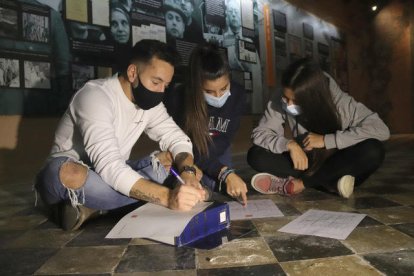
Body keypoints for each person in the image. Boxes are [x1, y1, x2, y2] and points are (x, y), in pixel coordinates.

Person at [35, 39, 206, 231]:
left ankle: (95, 207)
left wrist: (188, 172)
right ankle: (108, 203)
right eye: (156, 82)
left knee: (170, 162)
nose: (161, 91)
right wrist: (168, 197)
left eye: (165, 85)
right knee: (69, 174)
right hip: (70, 176)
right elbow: (110, 167)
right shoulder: (95, 96)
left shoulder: (151, 104)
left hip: (111, 173)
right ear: (133, 72)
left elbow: (178, 139)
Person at [247, 58, 390, 198]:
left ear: (312, 98)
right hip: (307, 162)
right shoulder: (281, 97)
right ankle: (331, 182)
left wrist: (326, 140)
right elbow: (260, 133)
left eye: (295, 101)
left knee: (373, 150)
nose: (288, 104)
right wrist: (289, 144)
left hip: (337, 161)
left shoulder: (339, 102)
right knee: (256, 155)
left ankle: (300, 183)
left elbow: (381, 130)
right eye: (286, 98)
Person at [164, 43, 249, 205]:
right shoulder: (179, 98)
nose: (218, 96)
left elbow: (226, 139)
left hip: (217, 150)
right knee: (186, 189)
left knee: (221, 187)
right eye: (209, 92)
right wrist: (222, 172)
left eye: (224, 89)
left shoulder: (238, 95)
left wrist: (220, 171)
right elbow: (184, 145)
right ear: (197, 86)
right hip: (188, 152)